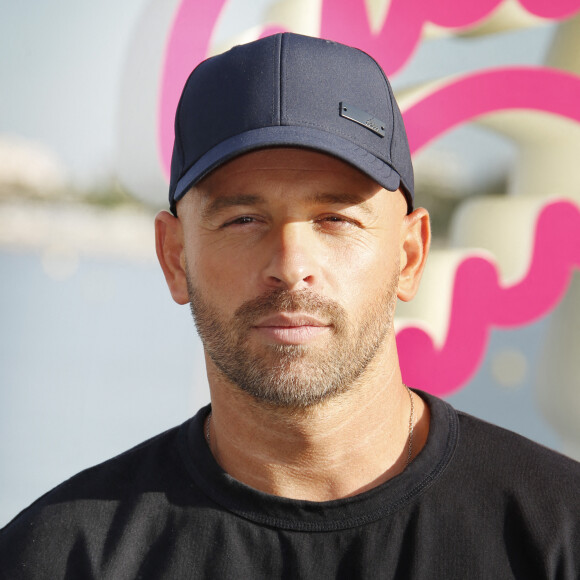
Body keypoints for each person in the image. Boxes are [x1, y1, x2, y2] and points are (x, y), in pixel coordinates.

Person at [1, 32, 579, 579]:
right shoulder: (59, 555)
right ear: (175, 257)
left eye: (335, 218)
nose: (289, 263)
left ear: (409, 254)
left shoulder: (557, 533)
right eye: (243, 219)